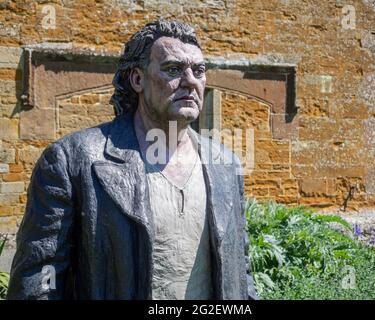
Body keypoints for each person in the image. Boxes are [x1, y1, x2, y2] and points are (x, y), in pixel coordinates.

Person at [7, 20, 257, 300]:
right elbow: (41, 276)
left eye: (198, 70)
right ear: (137, 79)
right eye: (173, 69)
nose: (190, 81)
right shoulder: (72, 160)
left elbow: (240, 270)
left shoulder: (225, 165)